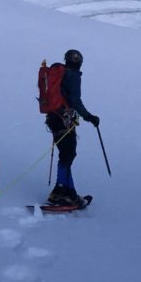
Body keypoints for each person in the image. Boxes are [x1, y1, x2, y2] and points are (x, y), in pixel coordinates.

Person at [46, 49, 99, 206]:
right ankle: (64, 192)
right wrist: (89, 117)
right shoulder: (72, 76)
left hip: (53, 118)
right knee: (68, 154)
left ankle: (64, 192)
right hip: (64, 120)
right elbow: (75, 100)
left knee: (65, 154)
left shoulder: (58, 74)